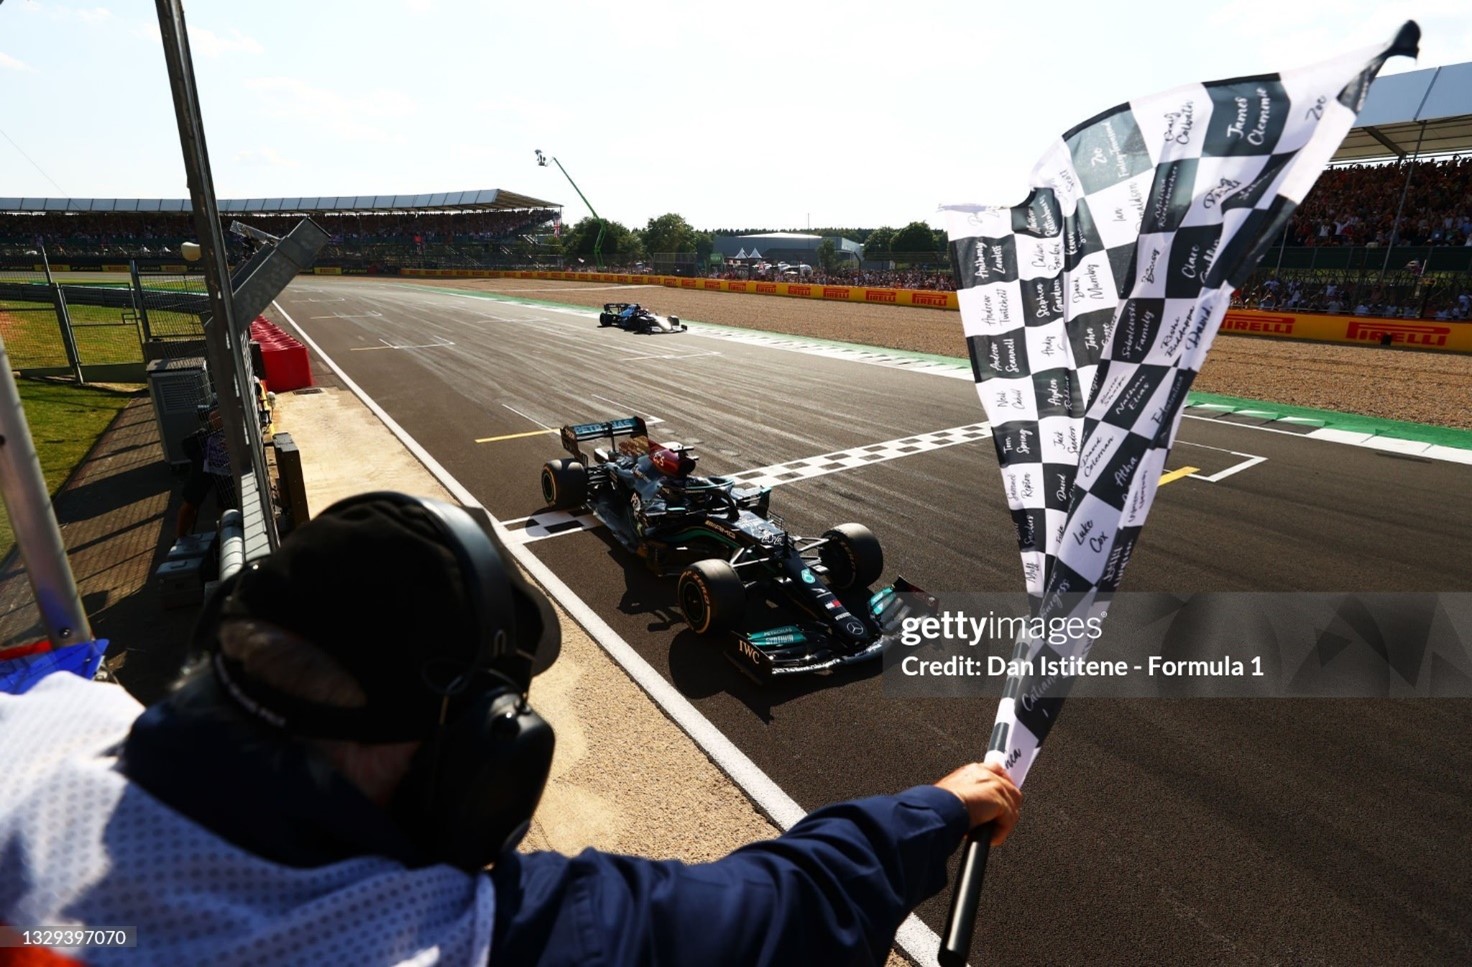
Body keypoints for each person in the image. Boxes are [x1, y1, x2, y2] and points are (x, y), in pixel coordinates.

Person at [0, 492, 1022, 966]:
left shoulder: (44, 726)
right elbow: (778, 904)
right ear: (485, 754)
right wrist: (936, 808)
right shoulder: (466, 942)